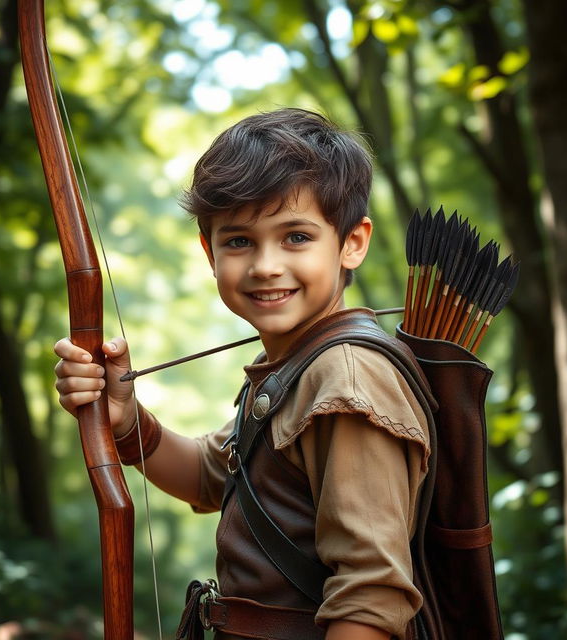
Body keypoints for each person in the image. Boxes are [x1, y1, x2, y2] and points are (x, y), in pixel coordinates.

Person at [54, 108, 431, 640]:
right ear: (209, 253)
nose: (265, 265)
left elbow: (370, 596)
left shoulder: (345, 378)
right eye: (239, 242)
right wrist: (123, 420)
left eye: (296, 237)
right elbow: (212, 475)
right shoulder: (299, 366)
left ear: (352, 242)